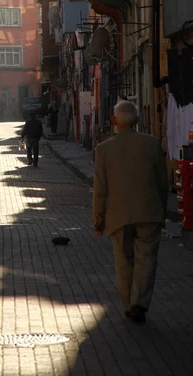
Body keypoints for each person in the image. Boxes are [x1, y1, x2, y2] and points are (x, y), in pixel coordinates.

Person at [92, 100, 168, 324]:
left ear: (114, 121)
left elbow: (100, 189)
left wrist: (98, 220)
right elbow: (162, 183)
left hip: (118, 216)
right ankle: (140, 303)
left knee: (124, 261)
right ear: (137, 120)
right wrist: (160, 211)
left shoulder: (104, 149)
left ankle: (128, 304)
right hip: (149, 212)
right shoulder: (153, 144)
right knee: (147, 259)